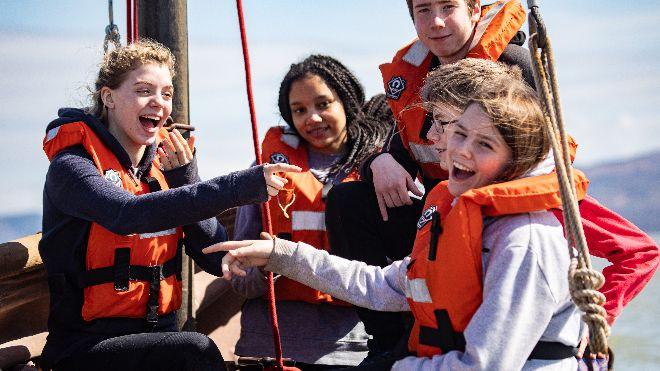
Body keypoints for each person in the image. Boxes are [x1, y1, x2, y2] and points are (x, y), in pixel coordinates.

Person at [207, 59, 595, 370]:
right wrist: (281, 255)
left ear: (517, 157)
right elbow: (381, 286)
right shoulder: (455, 212)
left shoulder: (524, 240)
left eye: (484, 143)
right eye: (455, 133)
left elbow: (487, 364)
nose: (456, 150)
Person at [324, 0, 660, 357]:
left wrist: (596, 320)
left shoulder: (517, 89)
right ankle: (393, 343)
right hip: (440, 218)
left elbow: (639, 252)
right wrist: (381, 159)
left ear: (474, 11)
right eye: (423, 9)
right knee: (348, 200)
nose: (436, 21)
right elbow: (405, 143)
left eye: (448, 6)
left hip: (496, 220)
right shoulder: (416, 82)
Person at [38, 40, 300, 371]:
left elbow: (212, 252)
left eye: (166, 93)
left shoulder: (164, 167)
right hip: (85, 346)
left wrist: (186, 179)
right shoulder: (71, 167)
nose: (159, 103)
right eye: (144, 90)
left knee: (188, 348)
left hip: (158, 337)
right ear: (109, 98)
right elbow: (127, 214)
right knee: (195, 350)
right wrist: (241, 185)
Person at [230, 55, 393, 369]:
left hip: (356, 350)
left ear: (347, 101)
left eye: (323, 104)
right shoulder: (264, 172)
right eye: (299, 110)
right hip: (270, 349)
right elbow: (241, 280)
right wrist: (266, 266)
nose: (313, 118)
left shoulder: (381, 170)